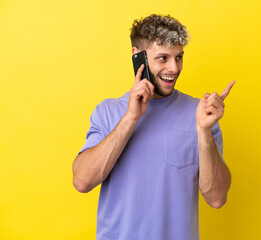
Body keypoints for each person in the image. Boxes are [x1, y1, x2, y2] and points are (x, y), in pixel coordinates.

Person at [72, 14, 234, 240]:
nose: (174, 68)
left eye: (179, 57)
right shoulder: (107, 112)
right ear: (137, 56)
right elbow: (82, 181)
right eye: (163, 58)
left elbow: (217, 198)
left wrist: (204, 132)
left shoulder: (201, 115)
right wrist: (131, 118)